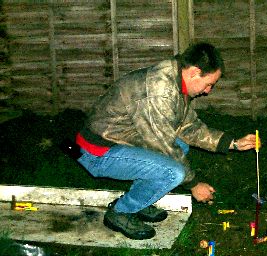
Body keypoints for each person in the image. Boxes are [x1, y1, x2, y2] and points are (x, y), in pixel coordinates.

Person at [75, 42, 256, 240]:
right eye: (209, 84)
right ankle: (121, 212)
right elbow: (163, 145)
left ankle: (140, 199)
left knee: (181, 148)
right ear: (195, 72)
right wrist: (194, 184)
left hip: (121, 140)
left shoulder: (176, 83)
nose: (208, 91)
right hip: (98, 151)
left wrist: (233, 143)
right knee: (173, 172)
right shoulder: (160, 90)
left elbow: (188, 127)